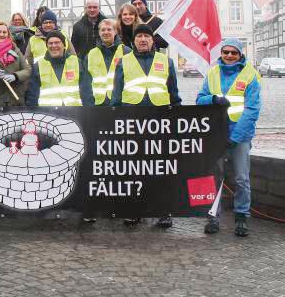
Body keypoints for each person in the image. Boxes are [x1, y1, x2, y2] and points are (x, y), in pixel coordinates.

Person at [110, 24, 181, 227]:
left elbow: (173, 92)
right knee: (134, 169)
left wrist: (177, 114)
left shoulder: (166, 61)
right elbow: (117, 92)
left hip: (160, 121)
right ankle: (135, 210)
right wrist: (116, 116)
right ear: (133, 41)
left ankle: (163, 211)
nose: (143, 40)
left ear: (152, 40)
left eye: (146, 37)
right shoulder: (124, 62)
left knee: (161, 168)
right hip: (133, 120)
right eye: (139, 36)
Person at [196, 39, 261, 237]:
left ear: (240, 54)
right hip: (215, 134)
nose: (230, 56)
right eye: (226, 52)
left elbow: (252, 110)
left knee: (241, 178)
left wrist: (236, 136)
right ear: (221, 53)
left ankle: (241, 217)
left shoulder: (250, 75)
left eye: (234, 52)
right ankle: (212, 216)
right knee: (214, 177)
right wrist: (213, 99)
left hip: (239, 136)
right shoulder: (213, 72)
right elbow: (200, 100)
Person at [80, 19, 131, 106]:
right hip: (97, 105)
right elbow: (85, 83)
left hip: (121, 104)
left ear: (115, 32)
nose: (106, 32)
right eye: (103, 30)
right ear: (99, 33)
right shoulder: (91, 54)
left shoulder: (126, 52)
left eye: (109, 29)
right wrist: (89, 104)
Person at [25, 31, 82, 107]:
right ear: (47, 46)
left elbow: (86, 90)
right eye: (50, 43)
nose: (53, 45)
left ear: (64, 45)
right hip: (48, 114)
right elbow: (32, 95)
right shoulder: (38, 66)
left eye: (57, 42)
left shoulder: (76, 62)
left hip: (75, 111)